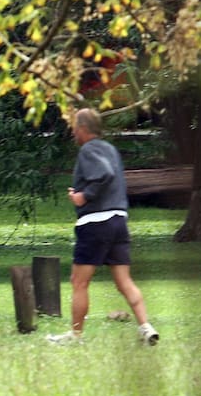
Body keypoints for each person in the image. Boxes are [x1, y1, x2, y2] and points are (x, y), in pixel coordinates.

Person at [56, 108, 159, 345]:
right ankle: (146, 327)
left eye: (74, 126)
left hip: (95, 223)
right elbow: (111, 175)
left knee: (79, 281)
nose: (72, 131)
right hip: (118, 221)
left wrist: (83, 196)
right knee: (124, 281)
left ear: (82, 128)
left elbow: (104, 173)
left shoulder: (88, 149)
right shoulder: (110, 149)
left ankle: (76, 335)